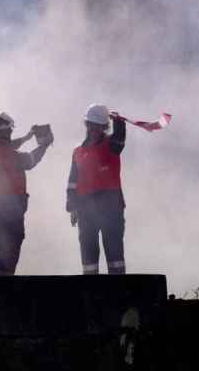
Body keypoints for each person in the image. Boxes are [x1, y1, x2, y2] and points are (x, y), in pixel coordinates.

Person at [0, 112, 52, 276]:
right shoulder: (11, 156)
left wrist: (27, 137)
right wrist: (44, 145)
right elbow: (31, 160)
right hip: (10, 215)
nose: (11, 134)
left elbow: (6, 147)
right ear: (4, 133)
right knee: (8, 257)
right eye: (9, 131)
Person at [65, 104, 127, 275]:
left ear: (104, 127)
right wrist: (73, 207)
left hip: (111, 208)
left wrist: (119, 123)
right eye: (90, 124)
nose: (93, 128)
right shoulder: (78, 151)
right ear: (86, 124)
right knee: (88, 257)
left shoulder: (111, 145)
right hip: (86, 209)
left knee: (115, 255)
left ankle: (117, 296)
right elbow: (72, 182)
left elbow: (119, 141)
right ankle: (92, 296)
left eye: (98, 125)